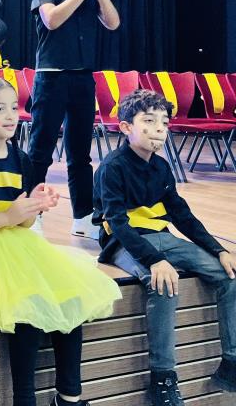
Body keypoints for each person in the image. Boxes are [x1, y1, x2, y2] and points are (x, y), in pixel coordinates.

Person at [0, 77, 121, 406]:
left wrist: (33, 204)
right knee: (25, 306)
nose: (10, 115)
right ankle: (24, 398)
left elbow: (25, 222)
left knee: (69, 297)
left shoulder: (20, 158)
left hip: (14, 240)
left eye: (12, 107)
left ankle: (69, 396)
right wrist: (10, 216)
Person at [93, 89, 236, 406]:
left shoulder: (161, 167)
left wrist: (219, 250)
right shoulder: (112, 168)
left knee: (229, 275)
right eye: (148, 121)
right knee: (164, 283)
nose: (159, 128)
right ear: (126, 127)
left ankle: (231, 362)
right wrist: (155, 260)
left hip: (161, 236)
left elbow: (182, 215)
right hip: (124, 242)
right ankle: (163, 380)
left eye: (164, 122)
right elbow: (118, 224)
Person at [28, 0, 120, 237]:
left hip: (82, 77)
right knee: (40, 150)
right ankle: (32, 213)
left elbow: (113, 23)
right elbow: (51, 19)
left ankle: (83, 217)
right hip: (52, 77)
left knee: (80, 152)